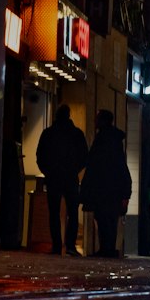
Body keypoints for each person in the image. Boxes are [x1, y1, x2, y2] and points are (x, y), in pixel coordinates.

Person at [35, 104, 88, 256]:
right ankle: (70, 245)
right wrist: (74, 169)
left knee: (54, 213)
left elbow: (40, 156)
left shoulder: (48, 134)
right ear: (69, 115)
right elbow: (84, 156)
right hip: (71, 178)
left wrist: (48, 172)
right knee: (72, 212)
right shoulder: (77, 134)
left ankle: (57, 245)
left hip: (54, 178)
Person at [80, 109, 133, 258]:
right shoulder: (114, 141)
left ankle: (106, 249)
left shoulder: (103, 140)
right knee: (109, 220)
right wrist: (125, 191)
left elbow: (95, 166)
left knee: (104, 220)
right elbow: (121, 167)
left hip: (103, 189)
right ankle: (107, 248)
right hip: (112, 190)